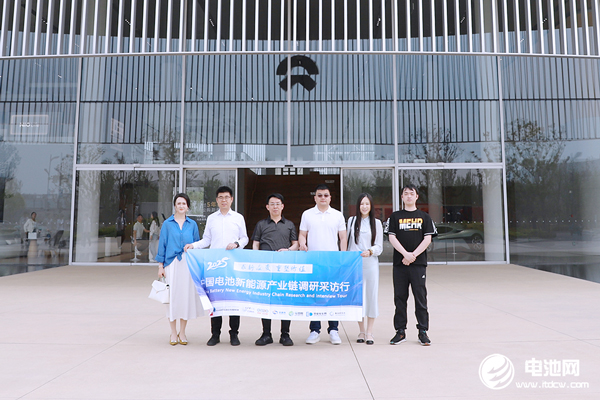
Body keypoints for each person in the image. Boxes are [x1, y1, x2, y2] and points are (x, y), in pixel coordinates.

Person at [184, 186, 248, 346]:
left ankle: (234, 334)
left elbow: (245, 238)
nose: (224, 200)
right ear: (217, 200)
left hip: (233, 265)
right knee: (215, 300)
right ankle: (215, 334)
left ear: (231, 199)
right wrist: (193, 245)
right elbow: (207, 240)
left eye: (226, 197)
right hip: (215, 265)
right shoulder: (212, 218)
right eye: (220, 197)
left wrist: (236, 243)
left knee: (233, 300)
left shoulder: (238, 218)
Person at [386, 185, 437, 346]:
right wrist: (405, 255)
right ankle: (400, 332)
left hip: (418, 265)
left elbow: (427, 239)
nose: (408, 196)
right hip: (400, 265)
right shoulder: (395, 216)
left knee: (420, 298)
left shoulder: (424, 217)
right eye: (406, 194)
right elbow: (392, 238)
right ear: (402, 197)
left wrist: (413, 255)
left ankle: (423, 331)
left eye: (411, 193)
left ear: (416, 197)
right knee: (400, 298)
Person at [298, 184, 347, 345]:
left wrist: (342, 257)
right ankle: (314, 330)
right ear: (315, 198)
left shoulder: (338, 215)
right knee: (314, 296)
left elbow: (343, 238)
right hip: (313, 261)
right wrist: (302, 243)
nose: (323, 198)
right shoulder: (307, 214)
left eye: (326, 195)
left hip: (332, 262)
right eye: (319, 195)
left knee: (333, 295)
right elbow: (302, 234)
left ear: (330, 198)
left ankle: (334, 329)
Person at [251, 193, 299, 346]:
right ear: (267, 207)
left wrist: (288, 250)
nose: (275, 206)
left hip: (284, 268)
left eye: (278, 204)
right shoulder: (261, 224)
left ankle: (285, 334)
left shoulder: (289, 224)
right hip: (266, 268)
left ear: (282, 206)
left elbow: (296, 244)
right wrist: (257, 258)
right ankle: (266, 334)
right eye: (272, 204)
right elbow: (255, 244)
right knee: (266, 300)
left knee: (285, 299)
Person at [156, 193, 203, 346]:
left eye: (184, 203)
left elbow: (197, 244)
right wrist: (160, 266)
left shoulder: (192, 224)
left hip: (187, 264)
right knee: (172, 298)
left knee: (185, 297)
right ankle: (172, 332)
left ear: (188, 206)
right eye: (178, 203)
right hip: (171, 264)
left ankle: (182, 332)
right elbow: (162, 245)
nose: (181, 206)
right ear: (175, 206)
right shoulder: (167, 224)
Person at [347, 193, 383, 345]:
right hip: (355, 265)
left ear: (371, 206)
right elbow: (348, 243)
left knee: (371, 296)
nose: (364, 206)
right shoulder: (351, 221)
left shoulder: (377, 223)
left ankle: (369, 332)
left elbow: (379, 246)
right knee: (358, 297)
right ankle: (361, 330)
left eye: (367, 204)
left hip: (370, 264)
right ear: (358, 206)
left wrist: (370, 251)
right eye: (362, 204)